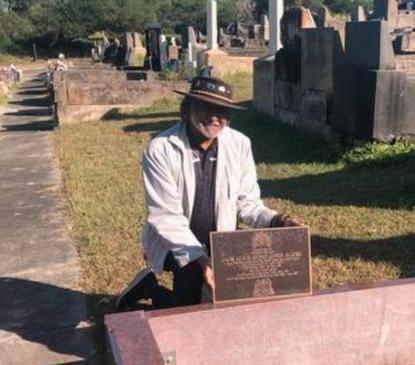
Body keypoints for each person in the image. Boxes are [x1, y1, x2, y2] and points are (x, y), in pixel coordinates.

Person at [117, 76, 299, 309]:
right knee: (189, 311)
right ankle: (151, 289)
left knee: (232, 303)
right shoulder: (160, 148)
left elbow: (248, 203)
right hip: (177, 241)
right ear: (187, 109)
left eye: (221, 109)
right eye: (205, 107)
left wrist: (277, 221)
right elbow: (166, 217)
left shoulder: (240, 144)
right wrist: (201, 259)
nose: (214, 116)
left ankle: (155, 287)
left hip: (221, 241)